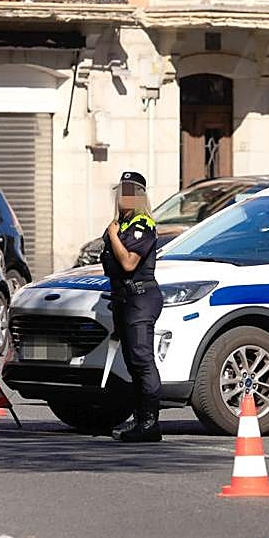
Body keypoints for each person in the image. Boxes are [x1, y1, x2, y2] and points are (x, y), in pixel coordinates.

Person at [102, 171, 163, 443]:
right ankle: (140, 420)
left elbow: (128, 263)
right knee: (132, 362)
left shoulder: (142, 224)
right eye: (121, 190)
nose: (124, 196)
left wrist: (113, 236)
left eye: (130, 191)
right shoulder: (122, 224)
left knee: (142, 360)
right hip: (124, 300)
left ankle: (150, 423)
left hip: (140, 298)